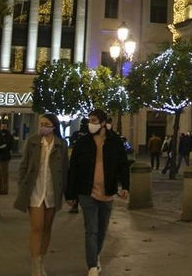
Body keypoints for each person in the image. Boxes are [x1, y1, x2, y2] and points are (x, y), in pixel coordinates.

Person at [67, 108, 130, 276]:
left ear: (103, 123)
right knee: (91, 229)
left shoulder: (115, 141)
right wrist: (70, 194)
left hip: (107, 191)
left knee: (102, 229)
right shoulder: (83, 142)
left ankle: (95, 256)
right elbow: (73, 168)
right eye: (90, 120)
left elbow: (123, 165)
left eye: (94, 120)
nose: (91, 123)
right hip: (86, 192)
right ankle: (92, 265)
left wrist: (125, 187)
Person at [15, 113, 69, 276]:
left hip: (52, 189)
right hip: (35, 189)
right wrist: (22, 184)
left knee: (47, 228)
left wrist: (67, 193)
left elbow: (65, 168)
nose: (42, 127)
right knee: (37, 227)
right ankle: (35, 264)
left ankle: (41, 260)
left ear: (53, 126)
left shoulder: (61, 144)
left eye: (46, 124)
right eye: (41, 124)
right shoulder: (32, 141)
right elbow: (24, 165)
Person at [0, 124, 13, 194]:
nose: (3, 128)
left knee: (4, 174)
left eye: (4, 127)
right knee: (0, 174)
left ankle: (4, 189)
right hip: (2, 156)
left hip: (4, 156)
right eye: (2, 127)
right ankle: (0, 188)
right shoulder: (2, 135)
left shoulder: (7, 135)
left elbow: (9, 145)